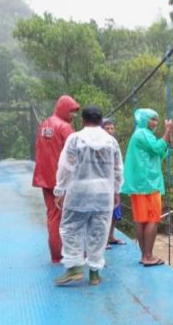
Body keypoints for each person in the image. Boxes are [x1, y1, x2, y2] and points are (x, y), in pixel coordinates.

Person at [53, 106, 123, 286]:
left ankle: (75, 267)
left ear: (83, 120)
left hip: (79, 192)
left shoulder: (75, 139)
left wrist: (60, 190)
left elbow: (65, 167)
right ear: (100, 121)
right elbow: (117, 169)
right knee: (99, 231)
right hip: (103, 193)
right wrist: (116, 191)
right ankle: (94, 273)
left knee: (70, 228)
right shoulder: (111, 141)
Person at [121, 108, 173, 267]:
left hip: (139, 185)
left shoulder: (141, 135)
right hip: (148, 184)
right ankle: (148, 256)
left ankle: (144, 255)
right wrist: (168, 130)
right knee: (152, 219)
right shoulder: (143, 133)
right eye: (152, 119)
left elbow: (159, 153)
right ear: (144, 119)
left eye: (156, 120)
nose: (155, 123)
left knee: (140, 220)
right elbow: (158, 148)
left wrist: (167, 141)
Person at [32, 95, 80, 264]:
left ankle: (55, 255)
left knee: (52, 215)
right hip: (62, 181)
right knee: (66, 218)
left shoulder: (43, 124)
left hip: (44, 178)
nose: (73, 115)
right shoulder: (65, 128)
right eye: (72, 111)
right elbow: (75, 156)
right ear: (64, 109)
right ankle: (62, 254)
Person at [101, 118, 126, 249]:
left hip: (113, 183)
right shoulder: (96, 142)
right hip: (101, 185)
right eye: (107, 128)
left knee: (115, 213)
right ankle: (102, 241)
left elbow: (118, 165)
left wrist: (118, 185)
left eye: (112, 128)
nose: (110, 131)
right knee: (104, 213)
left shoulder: (114, 142)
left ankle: (111, 237)